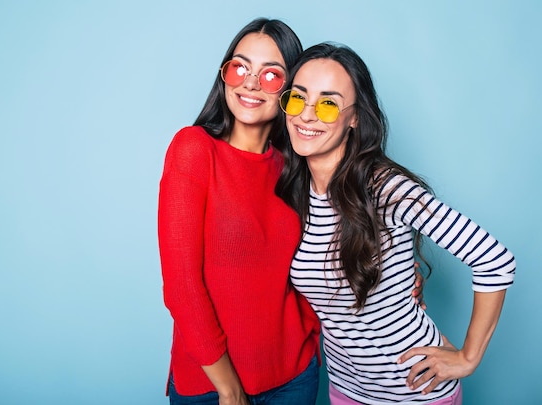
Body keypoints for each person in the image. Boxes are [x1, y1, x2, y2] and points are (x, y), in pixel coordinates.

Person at [158, 18, 426, 405]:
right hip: (210, 385)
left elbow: (346, 237)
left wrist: (404, 280)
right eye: (240, 67)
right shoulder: (194, 149)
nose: (251, 82)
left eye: (271, 75)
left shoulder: (299, 164)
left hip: (295, 378)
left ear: (291, 93)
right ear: (225, 75)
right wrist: (229, 388)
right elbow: (181, 287)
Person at [276, 42, 516, 404]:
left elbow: (494, 259)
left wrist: (468, 357)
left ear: (355, 117)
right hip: (345, 390)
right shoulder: (294, 191)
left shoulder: (386, 188)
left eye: (328, 104)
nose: (307, 115)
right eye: (298, 98)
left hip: (415, 393)